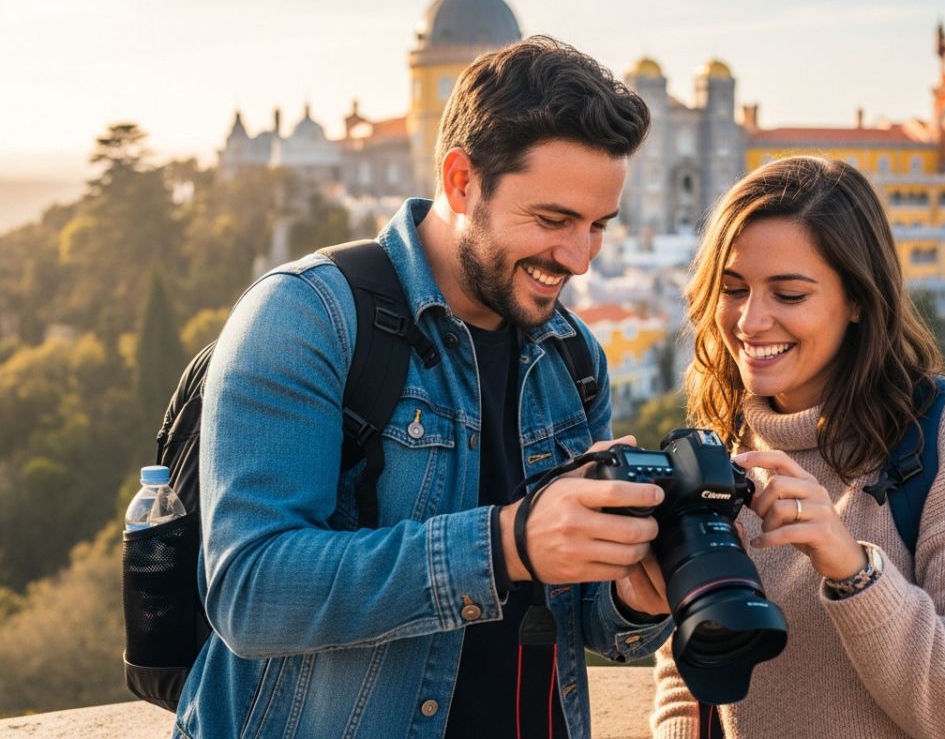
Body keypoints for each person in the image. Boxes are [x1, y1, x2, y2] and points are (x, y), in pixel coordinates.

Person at [176, 36, 672, 739]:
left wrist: (635, 594)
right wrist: (505, 544)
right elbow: (252, 593)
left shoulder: (574, 356)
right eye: (554, 220)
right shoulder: (308, 318)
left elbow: (580, 615)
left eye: (597, 227)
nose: (579, 258)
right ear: (462, 180)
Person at [652, 156, 945, 739]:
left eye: (788, 294)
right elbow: (684, 674)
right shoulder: (726, 435)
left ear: (858, 299)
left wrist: (853, 571)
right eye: (732, 289)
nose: (750, 320)